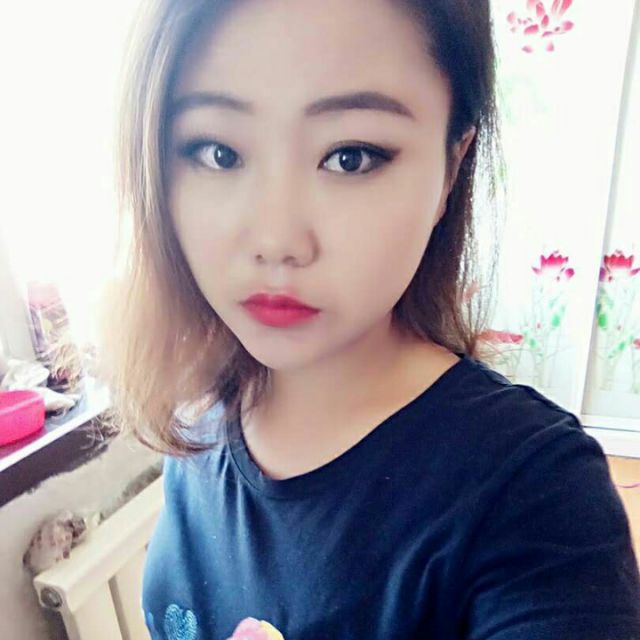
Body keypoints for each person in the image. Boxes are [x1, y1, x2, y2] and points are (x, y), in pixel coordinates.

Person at [99, 0, 640, 638]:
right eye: (218, 153)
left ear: (451, 169)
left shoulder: (537, 497)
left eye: (350, 157)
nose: (276, 241)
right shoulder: (199, 409)